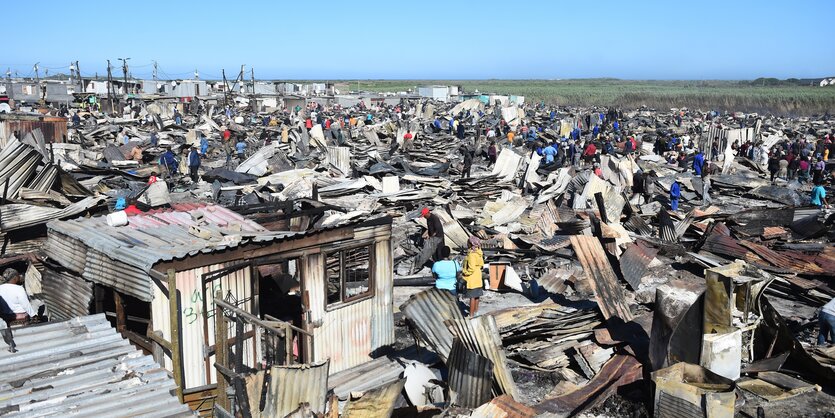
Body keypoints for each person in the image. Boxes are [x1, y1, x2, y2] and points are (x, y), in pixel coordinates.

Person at [461, 236, 484, 316]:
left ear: (471, 244)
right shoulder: (479, 252)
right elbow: (481, 264)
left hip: (472, 278)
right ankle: (476, 311)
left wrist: (465, 272)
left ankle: (471, 315)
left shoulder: (471, 254)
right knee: (477, 296)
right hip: (478, 275)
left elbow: (471, 268)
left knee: (472, 297)